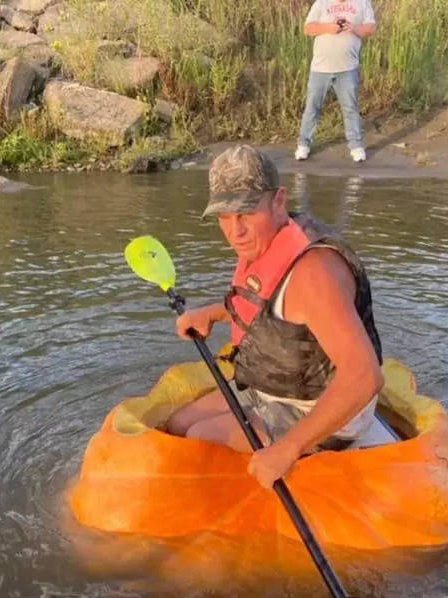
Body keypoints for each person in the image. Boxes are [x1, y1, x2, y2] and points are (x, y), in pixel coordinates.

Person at [164, 145, 386, 490]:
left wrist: (287, 448)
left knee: (199, 435)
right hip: (274, 387)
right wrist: (211, 313)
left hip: (319, 408)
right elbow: (270, 310)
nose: (235, 230)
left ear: (279, 200)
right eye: (225, 215)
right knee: (178, 424)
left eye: (246, 212)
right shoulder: (267, 241)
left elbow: (364, 377)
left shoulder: (314, 274)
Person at [296, 0, 377, 163]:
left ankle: (356, 146)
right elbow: (308, 28)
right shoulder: (321, 3)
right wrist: (328, 28)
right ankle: (303, 145)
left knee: (350, 108)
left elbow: (370, 28)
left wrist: (353, 28)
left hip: (348, 68)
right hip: (320, 68)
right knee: (312, 107)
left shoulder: (362, 3)